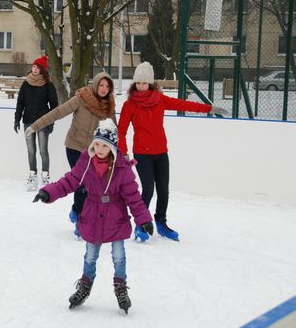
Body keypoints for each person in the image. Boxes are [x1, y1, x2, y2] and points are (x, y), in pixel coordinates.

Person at [33, 119, 153, 313]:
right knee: (90, 257)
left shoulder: (122, 168)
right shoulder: (86, 161)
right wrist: (49, 192)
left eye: (104, 145)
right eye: (96, 143)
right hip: (92, 214)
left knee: (119, 256)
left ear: (112, 146)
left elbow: (133, 197)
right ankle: (85, 286)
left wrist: (144, 219)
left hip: (116, 218)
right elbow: (69, 181)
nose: (99, 148)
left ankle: (120, 288)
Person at [118, 62, 228, 242]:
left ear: (151, 83)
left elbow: (184, 105)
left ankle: (161, 222)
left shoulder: (160, 100)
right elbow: (121, 130)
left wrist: (209, 108)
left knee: (163, 190)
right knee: (148, 189)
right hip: (142, 154)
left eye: (144, 83)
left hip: (161, 152)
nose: (140, 86)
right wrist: (124, 152)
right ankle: (141, 223)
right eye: (138, 83)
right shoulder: (130, 105)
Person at [26, 72, 116, 237]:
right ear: (95, 85)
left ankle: (76, 211)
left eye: (107, 86)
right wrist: (36, 126)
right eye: (101, 85)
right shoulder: (82, 98)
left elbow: (113, 131)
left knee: (88, 186)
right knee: (83, 184)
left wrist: (121, 155)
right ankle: (81, 219)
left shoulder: (108, 107)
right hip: (74, 147)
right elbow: (58, 112)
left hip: (93, 151)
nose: (104, 89)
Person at [14, 55, 58, 191]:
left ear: (42, 70)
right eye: (33, 66)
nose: (34, 69)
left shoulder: (48, 85)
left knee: (43, 150)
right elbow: (20, 102)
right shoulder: (25, 84)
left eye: (37, 67)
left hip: (43, 123)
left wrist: (50, 122)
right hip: (28, 122)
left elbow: (55, 105)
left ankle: (45, 177)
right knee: (31, 150)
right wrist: (17, 119)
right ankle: (32, 176)